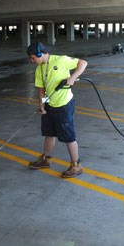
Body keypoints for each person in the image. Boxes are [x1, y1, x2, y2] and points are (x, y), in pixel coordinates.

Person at [27, 42, 87, 178]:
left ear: (39, 54)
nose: (32, 61)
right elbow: (41, 89)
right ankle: (46, 160)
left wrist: (72, 78)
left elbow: (83, 63)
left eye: (32, 58)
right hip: (49, 105)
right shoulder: (39, 69)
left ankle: (76, 165)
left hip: (64, 105)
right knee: (49, 133)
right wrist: (42, 105)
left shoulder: (61, 60)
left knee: (69, 136)